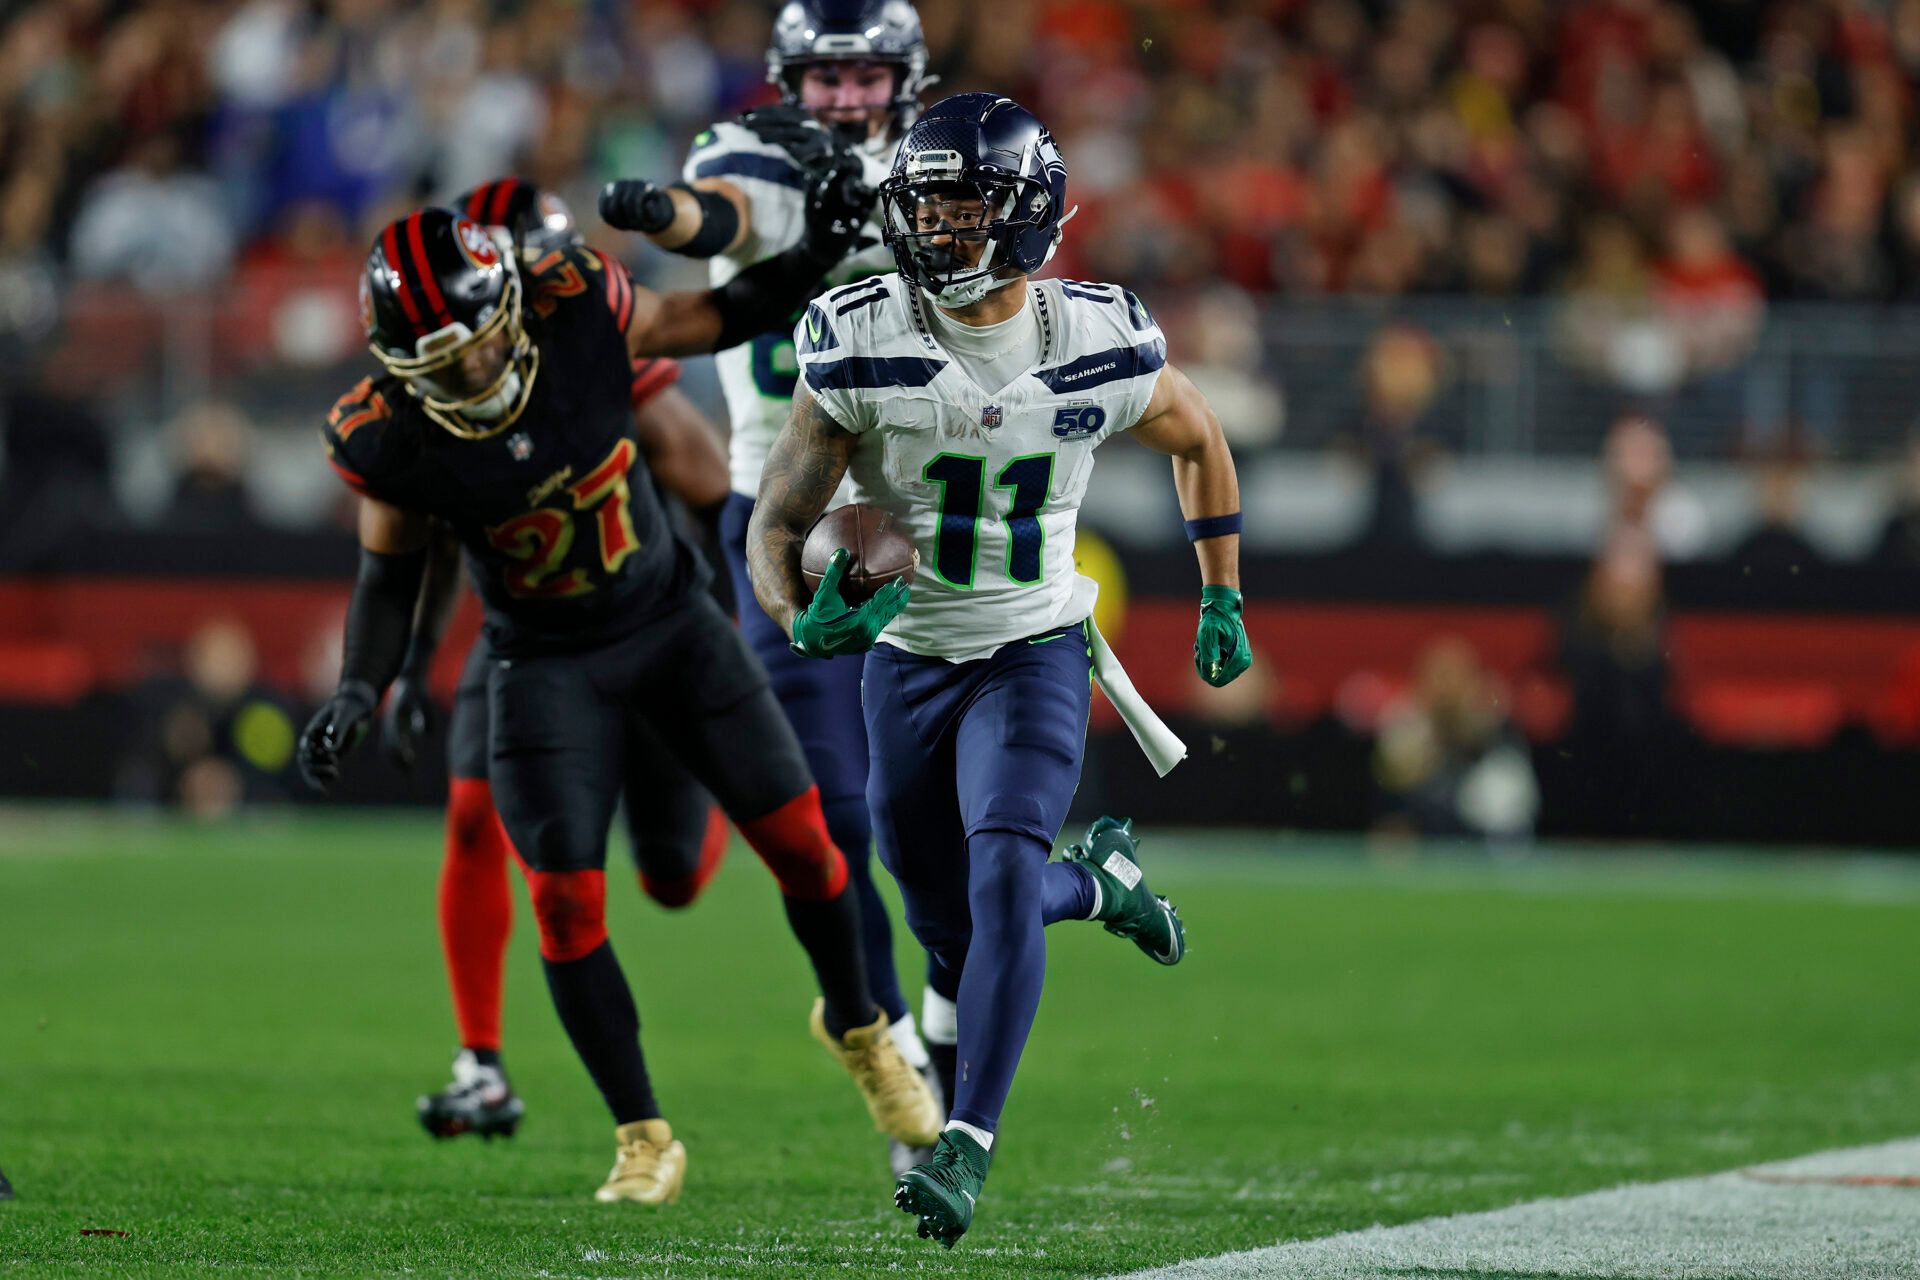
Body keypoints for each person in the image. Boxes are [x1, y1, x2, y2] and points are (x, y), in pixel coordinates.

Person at [297, 183, 939, 1206]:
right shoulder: (387, 433)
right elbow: (389, 574)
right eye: (440, 363)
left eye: (477, 345)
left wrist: (814, 249)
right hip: (542, 661)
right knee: (560, 899)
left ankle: (860, 1029)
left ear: (511, 302)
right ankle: (642, 1134)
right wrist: (358, 689)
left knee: (804, 844)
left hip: (669, 624)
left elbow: (713, 315)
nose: (471, 371)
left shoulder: (576, 306)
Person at [746, 93, 1253, 1246]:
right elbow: (776, 520)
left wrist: (1222, 587)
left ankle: (966, 1141)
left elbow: (1199, 435)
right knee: (949, 927)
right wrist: (796, 614)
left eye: (964, 205)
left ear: (1026, 214)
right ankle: (1103, 884)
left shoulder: (1095, 338)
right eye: (924, 205)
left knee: (1003, 870)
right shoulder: (861, 332)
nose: (937, 227)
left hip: (1032, 650)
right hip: (908, 659)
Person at [599, 0, 945, 1174]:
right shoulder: (755, 148)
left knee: (937, 816)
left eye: (865, 75)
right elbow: (719, 214)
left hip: (928, 509)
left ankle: (943, 1009)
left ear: (903, 77)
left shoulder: (950, 168)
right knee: (833, 811)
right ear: (791, 80)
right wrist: (661, 211)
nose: (845, 97)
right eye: (826, 76)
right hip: (785, 518)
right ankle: (891, 1035)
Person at [376, 179, 736, 1142]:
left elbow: (705, 479)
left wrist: (726, 642)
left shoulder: (588, 342)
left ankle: (710, 801)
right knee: (470, 816)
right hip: (527, 638)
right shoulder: (450, 383)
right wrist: (412, 660)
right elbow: (433, 526)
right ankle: (481, 1064)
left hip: (638, 620)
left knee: (670, 877)